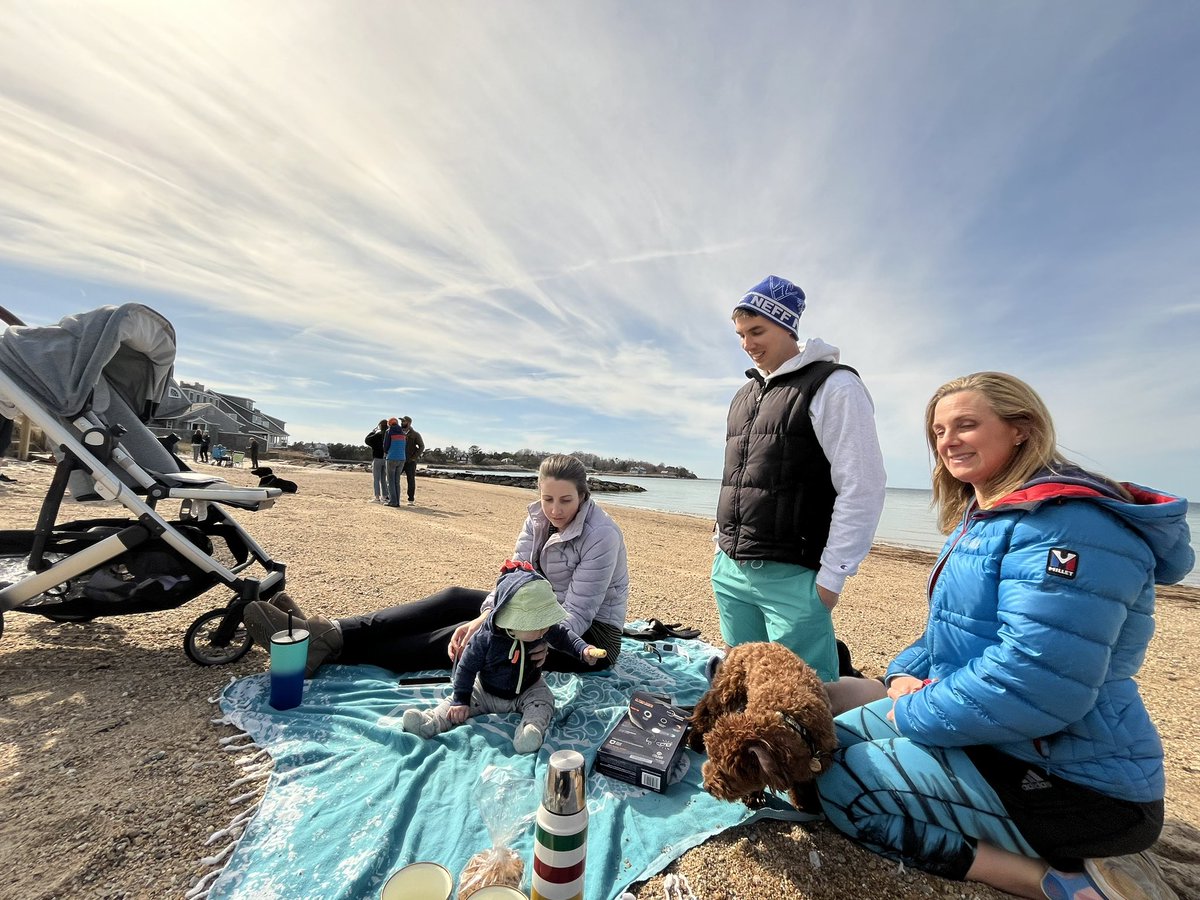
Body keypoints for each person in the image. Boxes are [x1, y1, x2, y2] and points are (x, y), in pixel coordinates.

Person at [816, 372, 1193, 900]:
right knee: (827, 745)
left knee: (845, 784)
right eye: (939, 431)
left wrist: (909, 713)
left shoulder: (1067, 526)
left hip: (1078, 781)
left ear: (1021, 429)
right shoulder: (988, 518)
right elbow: (950, 633)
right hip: (996, 735)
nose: (948, 441)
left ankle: (1061, 882)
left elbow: (1036, 681)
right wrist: (905, 672)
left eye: (966, 424)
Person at [242, 453, 630, 678]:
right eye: (547, 499)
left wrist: (489, 625)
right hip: (536, 608)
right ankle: (330, 632)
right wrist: (490, 613)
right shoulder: (537, 518)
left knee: (469, 636)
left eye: (565, 501)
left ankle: (325, 651)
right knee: (455, 599)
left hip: (588, 640)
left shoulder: (602, 535)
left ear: (584, 496)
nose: (555, 510)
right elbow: (515, 576)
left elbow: (577, 615)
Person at [712, 275, 887, 686]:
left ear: (789, 328)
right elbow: (736, 478)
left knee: (804, 697)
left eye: (757, 331)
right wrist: (718, 543)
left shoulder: (835, 385)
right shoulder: (744, 394)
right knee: (742, 683)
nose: (747, 344)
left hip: (794, 576)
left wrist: (832, 577)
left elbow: (862, 484)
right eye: (740, 334)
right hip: (731, 568)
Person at [401, 561, 606, 753]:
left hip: (529, 688)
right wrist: (461, 699)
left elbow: (563, 636)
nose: (545, 629)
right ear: (511, 622)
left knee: (543, 702)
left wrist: (583, 650)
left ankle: (529, 731)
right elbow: (466, 668)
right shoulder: (485, 639)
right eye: (538, 624)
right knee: (454, 706)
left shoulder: (542, 630)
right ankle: (429, 723)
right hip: (485, 692)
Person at [399, 415, 425, 505]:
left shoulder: (415, 434)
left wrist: (414, 457)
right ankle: (394, 497)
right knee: (394, 479)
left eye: (404, 421)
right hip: (399, 460)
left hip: (410, 462)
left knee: (411, 480)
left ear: (409, 423)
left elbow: (421, 446)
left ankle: (411, 500)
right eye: (401, 421)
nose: (402, 423)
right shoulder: (398, 432)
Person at [382, 416, 407, 506]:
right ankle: (398, 502)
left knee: (390, 481)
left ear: (389, 424)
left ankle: (393, 501)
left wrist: (386, 452)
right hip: (402, 458)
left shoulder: (389, 432)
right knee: (397, 481)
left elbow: (385, 446)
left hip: (392, 458)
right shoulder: (403, 433)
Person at [364, 419, 388, 502]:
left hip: (377, 458)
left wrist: (372, 432)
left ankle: (377, 497)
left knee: (376, 479)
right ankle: (385, 496)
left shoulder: (377, 435)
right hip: (385, 459)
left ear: (380, 426)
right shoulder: (388, 435)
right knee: (383, 479)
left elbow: (367, 440)